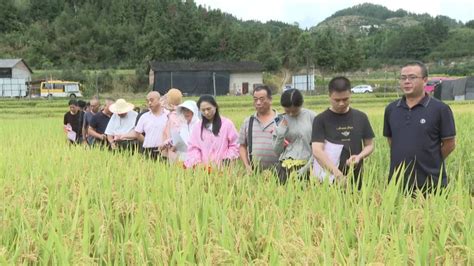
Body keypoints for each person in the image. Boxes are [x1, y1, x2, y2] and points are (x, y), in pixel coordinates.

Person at [383, 61, 456, 194]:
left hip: (431, 182)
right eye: (403, 77)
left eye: (412, 77)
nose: (406, 81)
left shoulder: (440, 109)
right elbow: (391, 140)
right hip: (398, 182)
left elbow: (449, 144)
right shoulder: (391, 109)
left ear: (425, 80)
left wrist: (430, 160)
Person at [311, 77, 375, 189]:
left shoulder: (361, 117)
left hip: (356, 175)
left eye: (345, 99)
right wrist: (336, 173)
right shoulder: (321, 119)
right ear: (329, 96)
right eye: (337, 100)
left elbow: (369, 145)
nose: (341, 103)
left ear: (350, 94)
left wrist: (359, 156)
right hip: (328, 177)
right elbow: (317, 150)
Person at [272, 89, 316, 184]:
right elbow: (276, 151)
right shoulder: (278, 119)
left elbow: (319, 146)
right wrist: (280, 134)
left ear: (301, 104)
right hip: (284, 167)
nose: (291, 114)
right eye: (287, 111)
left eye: (295, 111)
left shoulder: (312, 116)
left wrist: (308, 167)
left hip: (308, 165)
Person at [184, 95, 239, 169]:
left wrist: (228, 158)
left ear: (215, 107)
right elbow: (193, 148)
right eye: (203, 110)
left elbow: (235, 144)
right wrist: (197, 163)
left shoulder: (227, 124)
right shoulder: (197, 127)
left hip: (224, 168)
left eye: (208, 109)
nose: (206, 112)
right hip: (204, 170)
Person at [239, 85, 281, 173]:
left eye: (262, 99)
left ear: (270, 100)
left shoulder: (280, 120)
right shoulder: (248, 121)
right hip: (254, 173)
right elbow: (242, 146)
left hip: (279, 173)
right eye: (255, 99)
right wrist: (246, 165)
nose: (258, 103)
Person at [117, 91, 169, 160]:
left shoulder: (168, 115)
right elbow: (136, 133)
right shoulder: (144, 117)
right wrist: (123, 135)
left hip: (164, 151)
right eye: (148, 101)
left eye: (152, 100)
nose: (149, 103)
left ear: (159, 100)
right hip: (147, 150)